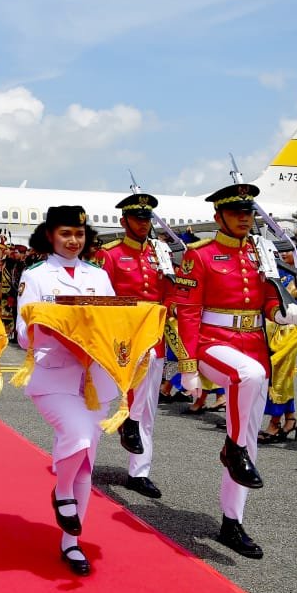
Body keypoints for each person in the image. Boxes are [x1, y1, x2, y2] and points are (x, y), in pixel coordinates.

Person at [171, 183, 297, 559]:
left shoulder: (258, 252)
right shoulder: (199, 255)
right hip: (213, 342)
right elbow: (187, 310)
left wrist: (279, 311)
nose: (244, 218)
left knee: (249, 432)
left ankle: (233, 521)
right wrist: (187, 365)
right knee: (248, 379)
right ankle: (233, 449)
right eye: (236, 212)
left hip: (253, 345)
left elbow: (263, 298)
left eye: (248, 212)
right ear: (219, 217)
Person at [16, 205, 114, 577]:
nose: (73, 240)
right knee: (76, 436)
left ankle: (71, 543)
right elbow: (24, 332)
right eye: (65, 233)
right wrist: (58, 327)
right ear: (50, 235)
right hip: (54, 374)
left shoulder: (99, 276)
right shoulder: (37, 276)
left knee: (87, 460)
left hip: (94, 378)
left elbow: (112, 321)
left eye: (79, 234)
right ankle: (61, 492)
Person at [97, 193, 166, 499]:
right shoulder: (109, 255)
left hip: (154, 337)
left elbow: (171, 293)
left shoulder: (160, 254)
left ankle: (139, 471)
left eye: (147, 218)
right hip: (121, 339)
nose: (144, 224)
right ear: (124, 221)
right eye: (138, 219)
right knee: (98, 401)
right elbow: (102, 298)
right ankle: (79, 457)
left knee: (148, 407)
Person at [257, 249, 297, 444]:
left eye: (287, 250)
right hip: (275, 328)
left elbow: (285, 298)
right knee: (281, 376)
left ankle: (274, 423)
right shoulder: (279, 272)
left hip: (291, 331)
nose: (281, 254)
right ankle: (290, 419)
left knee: (279, 375)